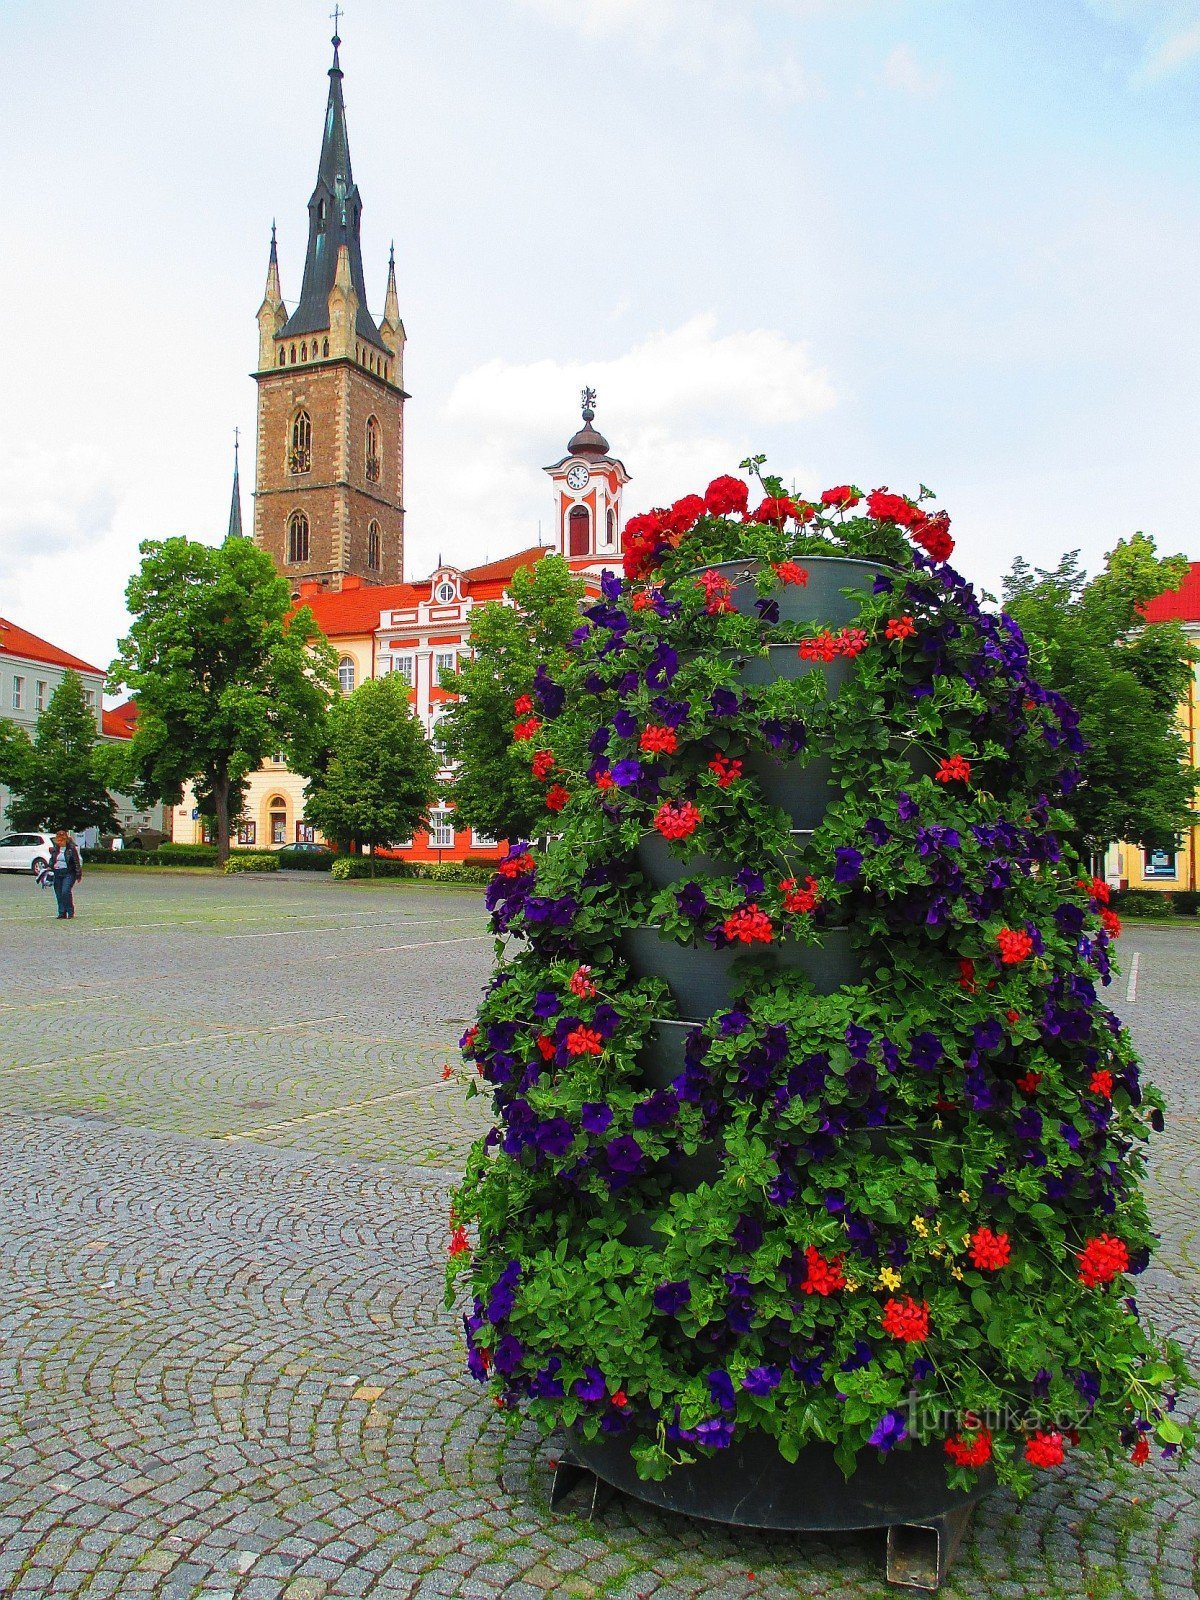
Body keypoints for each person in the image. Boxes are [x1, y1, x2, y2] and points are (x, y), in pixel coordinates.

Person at [48, 829, 83, 920]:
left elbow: (76, 861)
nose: (59, 842)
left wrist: (78, 874)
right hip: (57, 872)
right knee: (58, 893)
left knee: (65, 891)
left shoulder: (71, 849)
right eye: (58, 840)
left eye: (61, 840)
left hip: (69, 872)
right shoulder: (56, 848)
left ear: (65, 840)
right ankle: (61, 912)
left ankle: (70, 911)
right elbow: (52, 860)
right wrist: (49, 867)